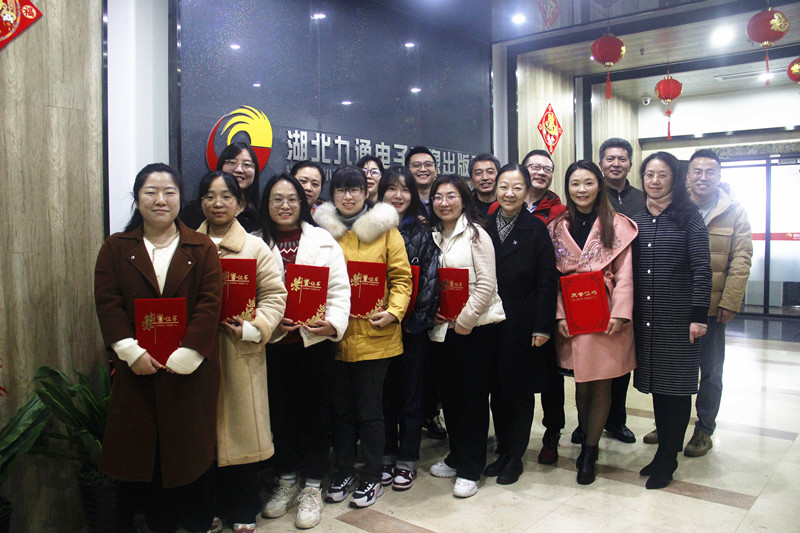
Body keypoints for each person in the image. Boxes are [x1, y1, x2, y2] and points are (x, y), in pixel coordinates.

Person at [94, 163, 222, 533]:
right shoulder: (116, 248)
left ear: (181, 199)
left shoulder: (202, 247)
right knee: (148, 457)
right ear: (137, 199)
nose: (160, 200)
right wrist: (131, 352)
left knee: (192, 452)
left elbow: (210, 304)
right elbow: (108, 304)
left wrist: (189, 353)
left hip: (190, 372)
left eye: (169, 192)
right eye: (151, 192)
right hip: (139, 371)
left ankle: (197, 522)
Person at [313, 166, 412, 509]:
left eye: (355, 189)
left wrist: (394, 312)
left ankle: (371, 476)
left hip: (375, 335)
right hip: (334, 337)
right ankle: (343, 471)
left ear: (366, 192)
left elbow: (402, 279)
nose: (348, 196)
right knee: (341, 411)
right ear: (332, 194)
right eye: (341, 189)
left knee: (370, 412)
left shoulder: (386, 231)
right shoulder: (321, 233)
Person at [644, 149, 752, 457]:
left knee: (711, 371)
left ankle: (704, 428)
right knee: (669, 368)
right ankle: (667, 425)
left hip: (713, 306)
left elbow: (742, 258)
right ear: (687, 176)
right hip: (674, 307)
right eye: (697, 171)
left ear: (719, 176)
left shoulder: (734, 211)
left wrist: (730, 301)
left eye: (710, 172)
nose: (703, 177)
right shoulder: (673, 206)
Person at [195, 171, 287, 533]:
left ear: (241, 203)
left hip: (239, 350)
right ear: (201, 202)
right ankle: (208, 509)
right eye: (209, 196)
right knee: (202, 437)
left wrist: (253, 328)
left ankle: (244, 508)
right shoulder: (187, 245)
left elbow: (275, 296)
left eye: (226, 196)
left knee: (241, 435)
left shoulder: (256, 247)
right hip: (197, 354)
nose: (217, 203)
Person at [259, 173, 351, 529]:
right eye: (277, 199)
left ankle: (312, 484)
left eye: (292, 199)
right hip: (273, 345)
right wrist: (266, 322)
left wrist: (333, 323)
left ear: (303, 203)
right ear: (267, 204)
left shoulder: (323, 240)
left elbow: (340, 290)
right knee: (281, 415)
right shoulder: (255, 242)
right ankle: (286, 480)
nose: (285, 206)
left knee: (316, 415)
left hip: (314, 343)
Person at [548, 160, 638, 485]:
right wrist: (559, 314)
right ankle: (587, 435)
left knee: (602, 383)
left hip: (607, 313)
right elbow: (551, 277)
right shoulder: (557, 227)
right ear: (567, 188)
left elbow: (625, 274)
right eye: (575, 183)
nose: (582, 189)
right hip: (573, 313)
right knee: (582, 382)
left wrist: (621, 313)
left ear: (599, 185)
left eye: (588, 182)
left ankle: (590, 450)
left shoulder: (617, 225)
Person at [631, 151, 712, 490]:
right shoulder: (636, 219)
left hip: (678, 320)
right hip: (645, 319)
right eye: (649, 174)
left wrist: (698, 317)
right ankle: (663, 450)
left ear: (675, 179)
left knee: (676, 390)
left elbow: (702, 269)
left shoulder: (689, 217)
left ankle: (668, 458)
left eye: (662, 174)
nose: (655, 181)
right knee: (657, 387)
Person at [427, 175, 505, 499]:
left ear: (463, 200)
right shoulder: (433, 235)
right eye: (438, 197)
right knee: (451, 397)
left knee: (472, 399)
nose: (444, 202)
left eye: (451, 196)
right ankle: (456, 454)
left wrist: (465, 320)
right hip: (441, 330)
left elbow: (487, 284)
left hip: (475, 329)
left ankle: (471, 468)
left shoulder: (476, 234)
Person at [485, 163, 558, 485]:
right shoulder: (484, 226)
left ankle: (515, 457)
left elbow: (547, 281)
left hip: (522, 321)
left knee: (519, 391)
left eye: (517, 188)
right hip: (489, 320)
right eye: (503, 186)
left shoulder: (536, 228)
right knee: (496, 390)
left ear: (527, 191)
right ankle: (502, 450)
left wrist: (542, 327)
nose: (509, 193)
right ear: (495, 189)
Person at [570, 137, 644, 446]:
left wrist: (622, 310)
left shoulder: (640, 201)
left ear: (630, 164)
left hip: (617, 300)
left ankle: (614, 423)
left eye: (622, 159)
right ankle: (586, 427)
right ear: (602, 164)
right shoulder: (562, 223)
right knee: (585, 376)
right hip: (577, 307)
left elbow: (626, 269)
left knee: (615, 370)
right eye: (610, 159)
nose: (616, 163)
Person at [378, 165, 440, 492]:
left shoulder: (423, 231)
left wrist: (417, 322)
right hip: (377, 328)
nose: (398, 195)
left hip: (412, 328)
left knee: (411, 396)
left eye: (405, 189)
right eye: (391, 188)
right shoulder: (371, 229)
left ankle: (407, 459)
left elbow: (430, 279)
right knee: (384, 395)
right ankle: (386, 454)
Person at [405, 145, 447, 439]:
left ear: (436, 168)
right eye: (416, 165)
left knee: (436, 366)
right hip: (414, 298)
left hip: (445, 292)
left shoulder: (444, 199)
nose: (423, 169)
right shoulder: (405, 205)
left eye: (427, 164)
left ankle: (432, 413)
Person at [180, 142, 262, 232]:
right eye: (232, 162)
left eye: (247, 164)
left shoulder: (262, 215)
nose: (239, 169)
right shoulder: (193, 211)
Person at [405, 146, 438, 215]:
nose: (423, 169)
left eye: (428, 165)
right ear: (407, 171)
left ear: (436, 171)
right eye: (416, 165)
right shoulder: (402, 202)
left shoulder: (444, 202)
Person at [468, 153, 500, 218]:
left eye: (490, 172)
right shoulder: (466, 207)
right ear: (471, 181)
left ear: (499, 177)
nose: (485, 177)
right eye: (478, 173)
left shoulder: (508, 203)